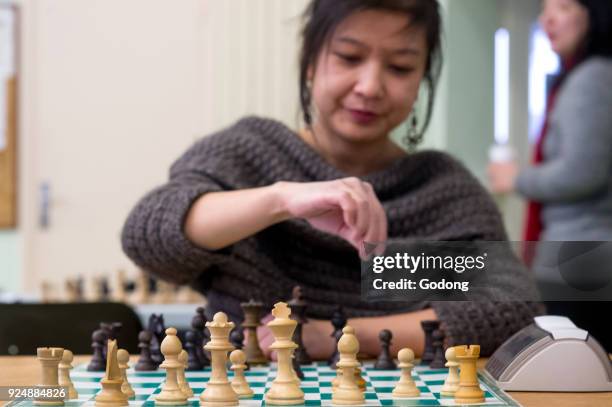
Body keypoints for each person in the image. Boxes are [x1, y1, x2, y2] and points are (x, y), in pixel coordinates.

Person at [122, 0, 540, 359]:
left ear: (421, 81)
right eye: (349, 57)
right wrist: (280, 200)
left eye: (399, 66)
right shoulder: (248, 153)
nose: (370, 86)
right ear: (309, 60)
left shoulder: (440, 190)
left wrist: (334, 336)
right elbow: (150, 237)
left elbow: (512, 309)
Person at [488, 0, 612, 350]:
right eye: (544, 8)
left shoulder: (593, 77)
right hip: (582, 257)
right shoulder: (586, 76)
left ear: (595, 14)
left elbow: (583, 172)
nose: (547, 18)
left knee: (576, 375)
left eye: (563, 7)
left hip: (582, 260)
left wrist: (517, 178)